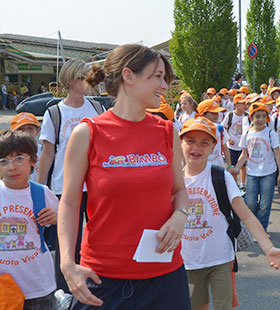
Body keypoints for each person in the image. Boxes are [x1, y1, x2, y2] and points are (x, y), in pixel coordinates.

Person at [58, 44, 191, 309]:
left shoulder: (168, 131)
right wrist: (66, 264)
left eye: (165, 78)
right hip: (103, 280)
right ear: (128, 77)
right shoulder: (88, 133)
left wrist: (180, 216)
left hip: (165, 278)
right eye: (157, 76)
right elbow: (70, 203)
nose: (164, 85)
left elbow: (179, 191)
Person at [180, 116, 280, 310]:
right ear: (180, 143)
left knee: (223, 307)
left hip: (220, 260)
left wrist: (268, 248)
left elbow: (247, 216)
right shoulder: (174, 180)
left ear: (212, 147)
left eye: (204, 143)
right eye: (190, 141)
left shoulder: (221, 177)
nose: (196, 147)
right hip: (188, 262)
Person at [37, 58, 103, 293]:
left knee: (97, 239)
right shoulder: (55, 113)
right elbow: (47, 154)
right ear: (69, 80)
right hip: (64, 187)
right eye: (83, 77)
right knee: (68, 245)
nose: (89, 82)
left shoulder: (96, 108)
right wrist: (38, 189)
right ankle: (64, 292)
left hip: (95, 186)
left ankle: (96, 286)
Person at [0, 130, 58, 310]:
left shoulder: (42, 193)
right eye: (3, 161)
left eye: (19, 158)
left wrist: (56, 219)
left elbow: (67, 221)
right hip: (3, 286)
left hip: (38, 285)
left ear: (33, 160)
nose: (12, 167)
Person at [235, 103, 280, 231]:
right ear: (252, 118)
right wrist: (236, 168)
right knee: (250, 204)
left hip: (269, 173)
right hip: (252, 174)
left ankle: (261, 229)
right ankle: (253, 226)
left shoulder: (271, 134)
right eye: (257, 116)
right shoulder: (247, 134)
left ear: (267, 118)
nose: (260, 119)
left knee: (265, 205)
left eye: (263, 116)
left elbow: (277, 153)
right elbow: (244, 154)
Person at [196, 99, 233, 172]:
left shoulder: (220, 128)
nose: (216, 115)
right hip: (201, 169)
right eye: (212, 113)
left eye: (217, 113)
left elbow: (225, 148)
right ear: (203, 114)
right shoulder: (196, 130)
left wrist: (229, 166)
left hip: (218, 168)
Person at [222, 94, 248, 191]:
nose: (245, 105)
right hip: (232, 147)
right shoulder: (230, 115)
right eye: (242, 103)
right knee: (233, 167)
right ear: (236, 104)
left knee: (242, 166)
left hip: (242, 147)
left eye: (245, 103)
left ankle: (242, 184)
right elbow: (223, 128)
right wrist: (228, 139)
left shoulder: (246, 116)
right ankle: (234, 184)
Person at [10, 112, 41, 182]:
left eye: (30, 129)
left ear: (38, 131)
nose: (26, 133)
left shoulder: (46, 152)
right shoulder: (7, 153)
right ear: (13, 132)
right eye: (21, 130)